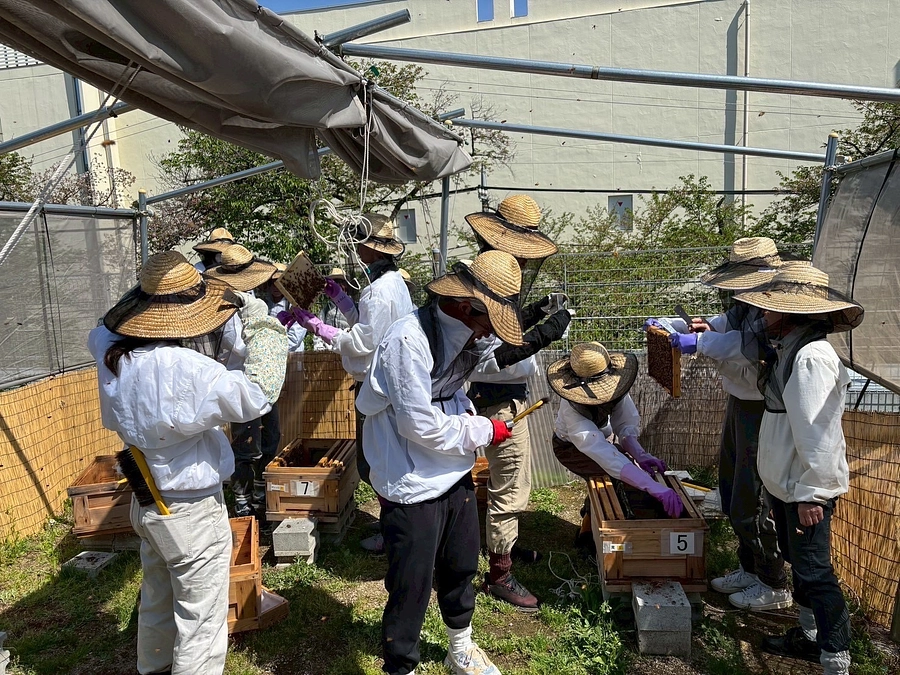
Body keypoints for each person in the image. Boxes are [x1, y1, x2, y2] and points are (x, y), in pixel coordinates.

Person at [87, 250, 287, 675]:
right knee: (201, 621)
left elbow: (103, 325)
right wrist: (260, 318)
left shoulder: (109, 349)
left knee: (158, 594)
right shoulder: (187, 369)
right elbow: (259, 393)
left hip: (146, 496)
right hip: (190, 510)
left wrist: (148, 289)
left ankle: (153, 668)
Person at [356, 250, 525, 675]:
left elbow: (450, 389)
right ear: (466, 306)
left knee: (461, 563)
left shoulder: (465, 333)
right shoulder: (407, 340)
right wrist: (483, 430)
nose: (489, 334)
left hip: (454, 470)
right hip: (410, 474)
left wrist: (468, 414)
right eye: (489, 322)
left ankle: (460, 648)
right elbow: (417, 424)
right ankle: (401, 666)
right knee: (411, 583)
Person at [732, 264, 863, 675]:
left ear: (793, 313)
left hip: (804, 490)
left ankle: (836, 660)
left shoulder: (811, 358)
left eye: (770, 308)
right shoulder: (793, 350)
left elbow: (817, 432)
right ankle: (809, 637)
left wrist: (813, 493)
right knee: (799, 564)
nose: (763, 314)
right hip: (788, 485)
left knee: (815, 572)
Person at [650, 237, 793, 611]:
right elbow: (723, 325)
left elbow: (751, 345)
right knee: (731, 490)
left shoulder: (779, 302)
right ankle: (751, 567)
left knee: (753, 495)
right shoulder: (746, 301)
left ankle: (773, 582)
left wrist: (697, 343)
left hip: (766, 409)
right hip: (741, 402)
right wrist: (674, 325)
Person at [463, 194, 570, 611]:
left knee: (503, 482)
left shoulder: (486, 278)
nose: (524, 262)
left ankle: (500, 546)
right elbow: (495, 355)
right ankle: (499, 573)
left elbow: (502, 332)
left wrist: (537, 312)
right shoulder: (486, 285)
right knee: (508, 485)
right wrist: (546, 331)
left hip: (494, 399)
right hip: (495, 403)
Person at [548, 342, 682, 546]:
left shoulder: (615, 386)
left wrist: (640, 454)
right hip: (570, 448)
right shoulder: (572, 410)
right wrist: (652, 487)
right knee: (611, 477)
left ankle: (592, 526)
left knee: (623, 472)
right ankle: (592, 534)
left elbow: (625, 425)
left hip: (601, 440)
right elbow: (602, 454)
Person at [205, 244, 281, 520]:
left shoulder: (252, 299)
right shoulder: (224, 305)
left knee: (271, 439)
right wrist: (263, 335)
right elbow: (235, 346)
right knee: (245, 448)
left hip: (262, 380)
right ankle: (243, 502)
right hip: (239, 384)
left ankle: (261, 496)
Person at [266, 263, 307, 353]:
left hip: (291, 354)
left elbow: (294, 338)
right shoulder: (265, 303)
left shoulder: (295, 305)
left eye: (279, 283)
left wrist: (273, 350)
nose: (276, 287)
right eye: (272, 283)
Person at [313, 268, 354, 351]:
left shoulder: (353, 307)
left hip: (349, 350)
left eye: (341, 282)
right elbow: (318, 330)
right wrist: (319, 349)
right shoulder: (326, 309)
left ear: (346, 285)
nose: (338, 285)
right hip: (329, 351)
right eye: (335, 282)